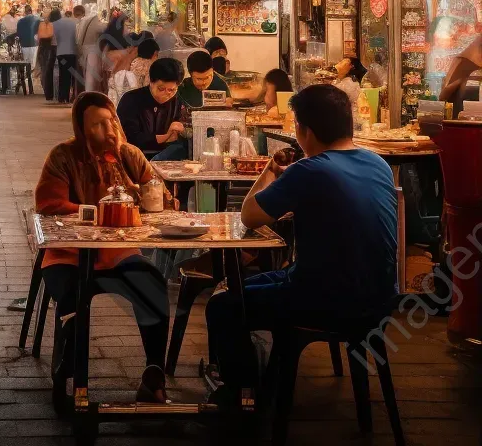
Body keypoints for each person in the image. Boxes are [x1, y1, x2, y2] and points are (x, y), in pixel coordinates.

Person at [205, 83, 398, 407]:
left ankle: (243, 394)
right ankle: (265, 379)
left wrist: (269, 170)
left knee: (223, 305)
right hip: (380, 299)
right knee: (241, 287)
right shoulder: (376, 162)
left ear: (304, 130)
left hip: (326, 301)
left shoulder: (309, 169)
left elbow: (250, 216)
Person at [36, 91, 174, 404]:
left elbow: (157, 194)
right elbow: (48, 202)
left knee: (152, 285)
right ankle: (66, 376)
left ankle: (154, 376)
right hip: (67, 255)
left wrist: (157, 196)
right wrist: (99, 212)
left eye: (110, 121)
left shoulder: (130, 155)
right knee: (72, 298)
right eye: (97, 125)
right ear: (82, 130)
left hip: (120, 253)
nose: (108, 129)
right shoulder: (63, 156)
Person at [117, 58, 188, 160]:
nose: (166, 94)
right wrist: (166, 137)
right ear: (151, 81)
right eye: (161, 89)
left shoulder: (177, 101)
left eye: (172, 90)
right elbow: (130, 137)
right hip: (135, 158)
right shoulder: (131, 100)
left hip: (167, 158)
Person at [53, 9, 79, 104]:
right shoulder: (75, 23)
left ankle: (62, 97)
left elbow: (53, 38)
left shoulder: (55, 24)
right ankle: (71, 97)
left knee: (63, 75)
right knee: (72, 75)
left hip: (61, 53)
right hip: (72, 52)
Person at [35, 9, 58, 101]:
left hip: (44, 49)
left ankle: (47, 92)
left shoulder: (43, 25)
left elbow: (39, 38)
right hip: (49, 49)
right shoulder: (52, 25)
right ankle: (49, 91)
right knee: (48, 71)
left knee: (45, 71)